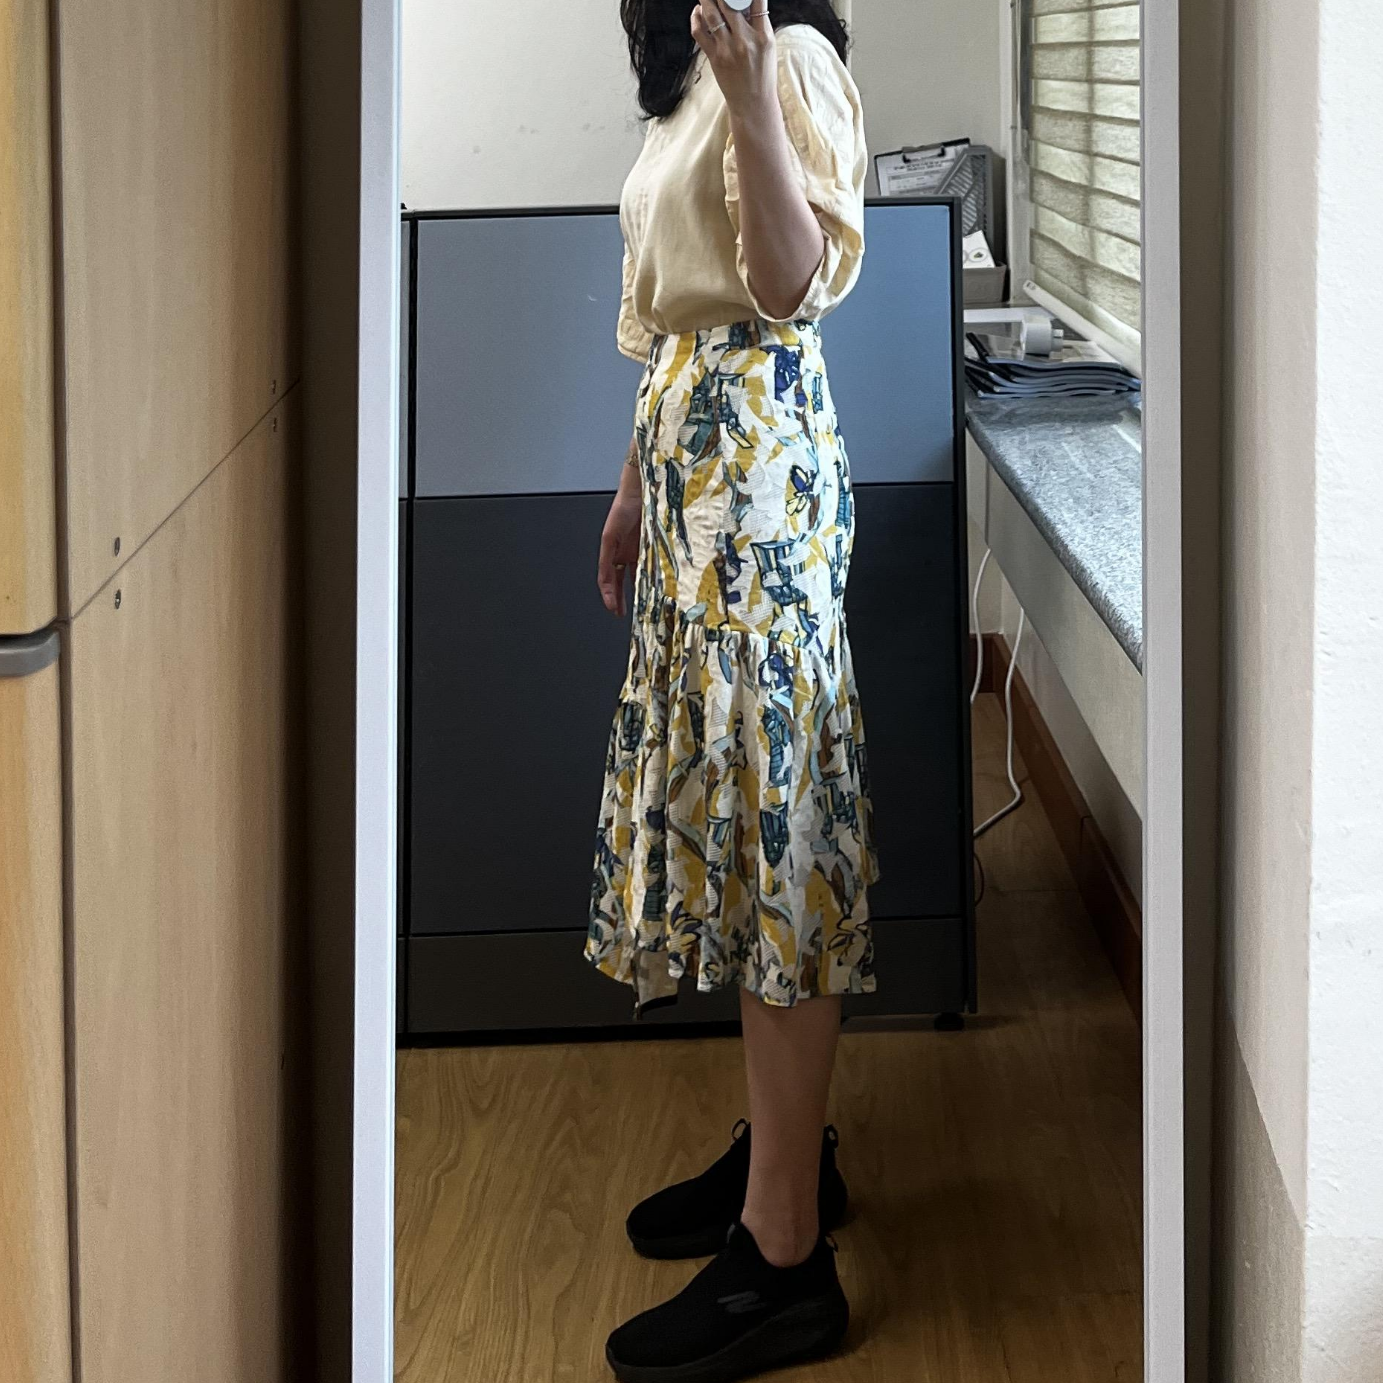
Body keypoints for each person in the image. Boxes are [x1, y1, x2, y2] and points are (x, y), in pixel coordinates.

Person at [586, 1, 874, 1378]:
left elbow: (788, 282)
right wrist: (631, 488)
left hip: (758, 491)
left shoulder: (788, 60)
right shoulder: (686, 82)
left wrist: (757, 88)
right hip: (692, 484)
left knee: (778, 836)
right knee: (741, 833)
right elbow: (666, 315)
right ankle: (786, 1156)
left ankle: (785, 1256)